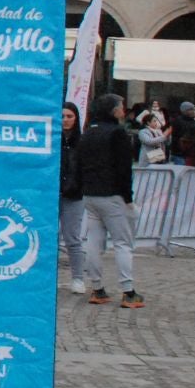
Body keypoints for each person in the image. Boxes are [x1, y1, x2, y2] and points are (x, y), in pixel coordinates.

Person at [76, 92, 142, 308]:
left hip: (90, 193)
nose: (124, 110)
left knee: (94, 241)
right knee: (123, 243)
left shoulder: (88, 132)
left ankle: (97, 287)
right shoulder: (117, 133)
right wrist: (128, 198)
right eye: (121, 106)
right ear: (114, 110)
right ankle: (128, 291)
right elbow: (124, 169)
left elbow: (79, 164)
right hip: (112, 194)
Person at [57, 101, 88, 294]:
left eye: (70, 116)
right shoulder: (53, 139)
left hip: (74, 194)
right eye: (62, 116)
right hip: (53, 193)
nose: (66, 120)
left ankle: (78, 278)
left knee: (72, 238)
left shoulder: (82, 142)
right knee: (49, 236)